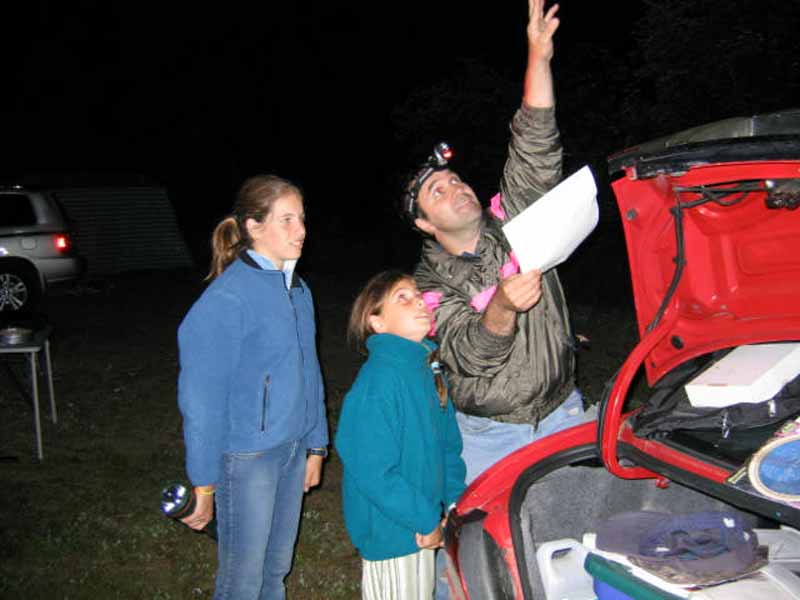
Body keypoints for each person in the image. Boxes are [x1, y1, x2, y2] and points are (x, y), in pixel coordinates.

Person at [402, 0, 594, 488]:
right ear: (424, 224)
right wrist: (502, 306)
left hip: (563, 412)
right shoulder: (427, 285)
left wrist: (538, 57)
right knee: (496, 535)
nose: (455, 189)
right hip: (491, 436)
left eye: (455, 180)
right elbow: (469, 353)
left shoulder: (517, 222)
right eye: (437, 192)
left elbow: (534, 147)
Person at [176, 175, 328, 600]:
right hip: (248, 458)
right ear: (253, 227)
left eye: (302, 218)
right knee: (242, 580)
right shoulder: (227, 300)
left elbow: (310, 370)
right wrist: (203, 484)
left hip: (293, 448)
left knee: (276, 570)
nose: (301, 230)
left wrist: (316, 445)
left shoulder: (298, 290)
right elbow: (201, 400)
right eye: (286, 220)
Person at [335, 270, 466, 600]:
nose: (419, 302)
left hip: (424, 525)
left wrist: (454, 503)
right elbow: (372, 470)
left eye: (418, 296)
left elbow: (448, 448)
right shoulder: (378, 382)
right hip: (392, 533)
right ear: (377, 322)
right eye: (402, 298)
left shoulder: (429, 371)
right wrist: (425, 519)